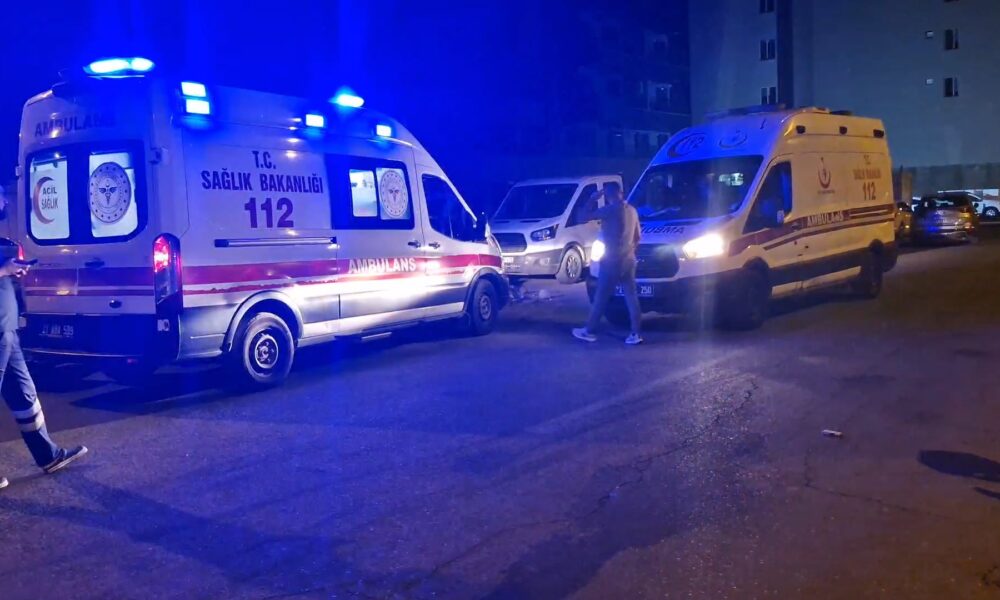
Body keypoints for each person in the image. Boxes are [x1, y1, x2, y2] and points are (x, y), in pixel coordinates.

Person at [0, 198, 87, 491]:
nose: (5, 200)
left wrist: (11, 269)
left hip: (7, 330)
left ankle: (48, 455)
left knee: (25, 395)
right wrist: (4, 270)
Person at [572, 182, 643, 345]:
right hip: (629, 260)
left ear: (607, 194)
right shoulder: (632, 211)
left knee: (601, 297)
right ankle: (636, 333)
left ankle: (589, 331)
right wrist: (629, 251)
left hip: (611, 260)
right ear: (621, 192)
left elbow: (582, 217)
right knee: (632, 297)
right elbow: (638, 237)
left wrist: (592, 199)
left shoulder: (609, 210)